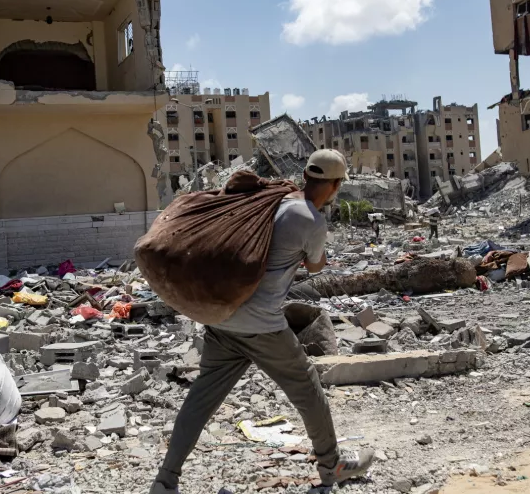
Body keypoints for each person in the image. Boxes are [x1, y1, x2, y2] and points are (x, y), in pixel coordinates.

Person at [150, 150, 374, 494]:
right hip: (263, 326)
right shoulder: (310, 219)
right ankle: (332, 467)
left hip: (222, 317)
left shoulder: (273, 200)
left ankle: (165, 481)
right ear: (334, 185)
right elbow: (316, 268)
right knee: (308, 390)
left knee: (201, 401)